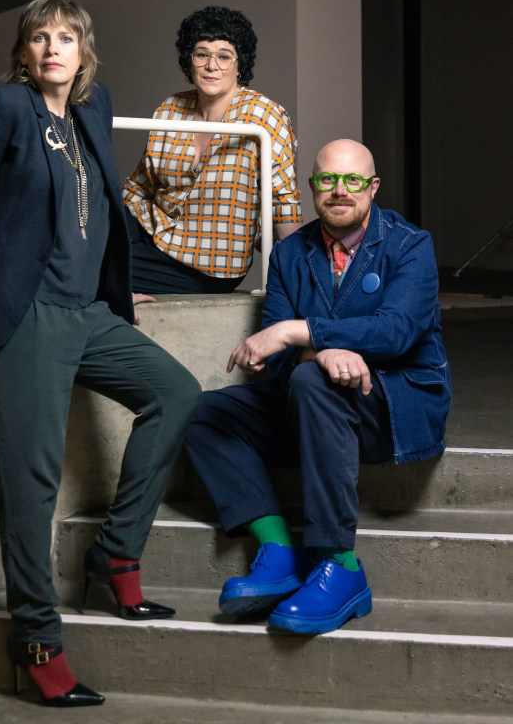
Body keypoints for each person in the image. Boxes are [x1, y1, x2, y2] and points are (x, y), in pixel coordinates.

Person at [0, 0, 202, 707]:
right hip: (21, 313)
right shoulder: (2, 108)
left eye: (66, 37)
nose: (53, 48)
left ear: (84, 52)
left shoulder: (94, 110)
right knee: (31, 485)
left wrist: (121, 289)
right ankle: (35, 640)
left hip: (87, 311)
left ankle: (115, 555)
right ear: (24, 53)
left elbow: (103, 208)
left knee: (175, 392)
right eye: (40, 37)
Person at [185, 138, 451, 634]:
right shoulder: (289, 253)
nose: (340, 191)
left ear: (372, 188)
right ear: (313, 188)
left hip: (391, 403)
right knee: (206, 412)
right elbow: (278, 356)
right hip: (312, 404)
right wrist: (320, 349)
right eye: (328, 180)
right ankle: (279, 548)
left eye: (353, 181)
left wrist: (297, 333)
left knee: (311, 377)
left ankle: (339, 563)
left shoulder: (410, 244)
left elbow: (396, 332)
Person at [123, 6, 302, 294]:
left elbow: (284, 206)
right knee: (78, 233)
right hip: (150, 233)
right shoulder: (169, 109)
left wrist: (297, 284)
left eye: (223, 56)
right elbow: (138, 186)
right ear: (189, 60)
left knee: (95, 268)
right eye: (202, 54)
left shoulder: (264, 115)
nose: (211, 65)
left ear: (239, 64)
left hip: (208, 264)